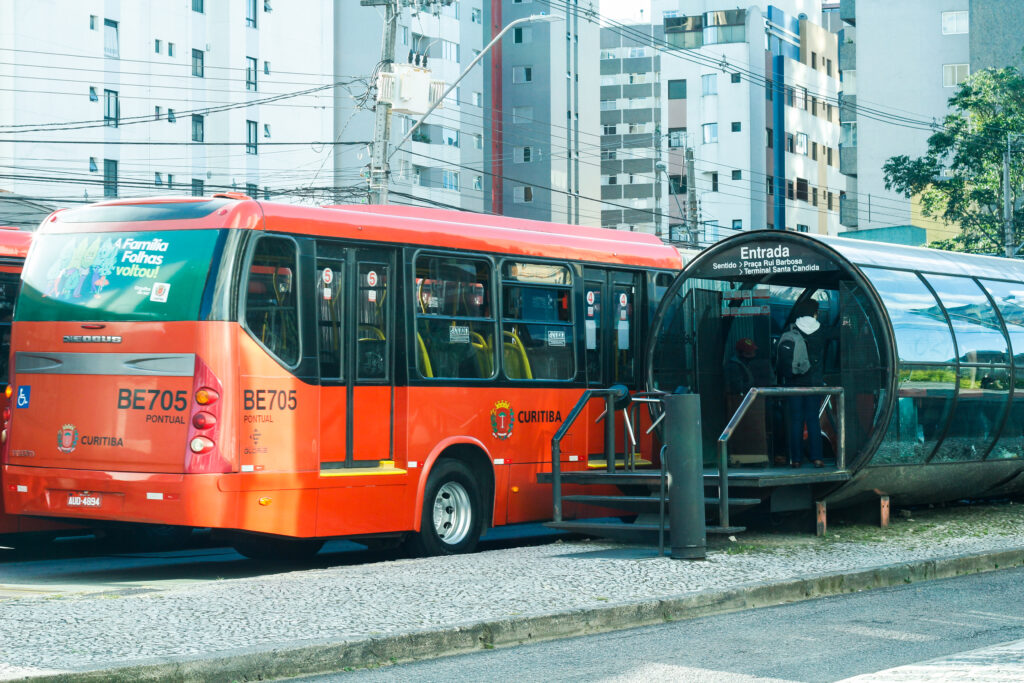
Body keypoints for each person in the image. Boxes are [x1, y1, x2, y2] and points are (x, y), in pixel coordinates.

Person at [777, 300, 837, 468]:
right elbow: (841, 332)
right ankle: (817, 458)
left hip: (794, 382)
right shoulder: (821, 330)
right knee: (812, 420)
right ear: (815, 312)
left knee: (795, 420)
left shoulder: (791, 328)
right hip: (813, 383)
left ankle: (795, 459)